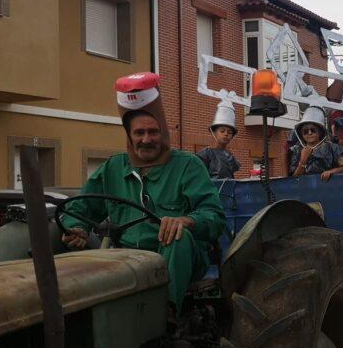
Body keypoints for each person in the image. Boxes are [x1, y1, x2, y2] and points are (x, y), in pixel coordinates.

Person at [62, 73, 225, 313]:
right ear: (129, 136)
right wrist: (77, 227)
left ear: (164, 131)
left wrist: (187, 221)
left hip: (181, 257)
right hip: (127, 259)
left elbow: (214, 217)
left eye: (153, 132)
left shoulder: (187, 165)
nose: (146, 140)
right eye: (139, 133)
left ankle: (165, 315)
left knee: (176, 236)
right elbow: (79, 208)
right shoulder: (113, 168)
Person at [291, 106, 343, 180]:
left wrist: (331, 172)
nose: (309, 133)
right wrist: (303, 161)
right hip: (305, 186)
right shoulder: (297, 150)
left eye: (313, 130)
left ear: (320, 131)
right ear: (301, 134)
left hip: (327, 185)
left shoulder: (332, 148)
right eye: (305, 131)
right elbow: (294, 178)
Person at [196, 100, 242, 180]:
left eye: (229, 132)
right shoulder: (205, 154)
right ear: (214, 132)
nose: (226, 134)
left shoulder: (229, 155)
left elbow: (235, 169)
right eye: (222, 131)